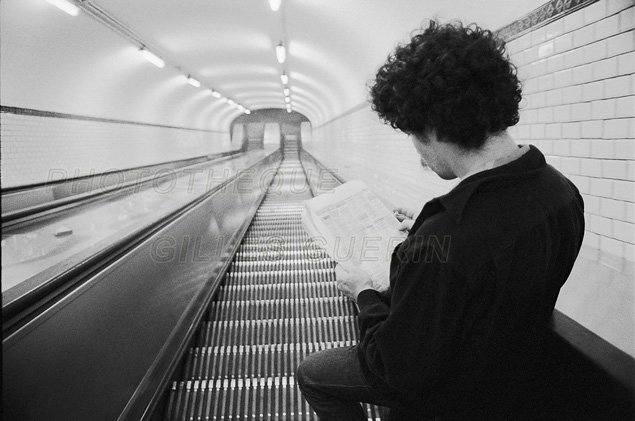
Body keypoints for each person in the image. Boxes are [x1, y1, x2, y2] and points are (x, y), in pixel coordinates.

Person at [296, 19, 585, 420]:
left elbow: (393, 368)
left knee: (310, 373)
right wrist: (426, 231)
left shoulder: (448, 236)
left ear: (432, 126)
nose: (418, 155)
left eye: (413, 134)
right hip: (511, 379)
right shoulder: (562, 191)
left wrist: (363, 292)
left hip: (449, 398)